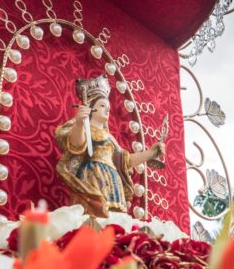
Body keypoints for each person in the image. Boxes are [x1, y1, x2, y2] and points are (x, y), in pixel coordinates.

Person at [54, 75, 164, 217]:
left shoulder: (109, 137)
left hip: (112, 182)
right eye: (102, 106)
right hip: (92, 178)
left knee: (113, 222)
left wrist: (151, 153)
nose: (107, 110)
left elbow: (125, 161)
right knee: (93, 219)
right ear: (91, 107)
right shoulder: (83, 128)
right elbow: (76, 146)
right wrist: (80, 123)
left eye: (108, 107)